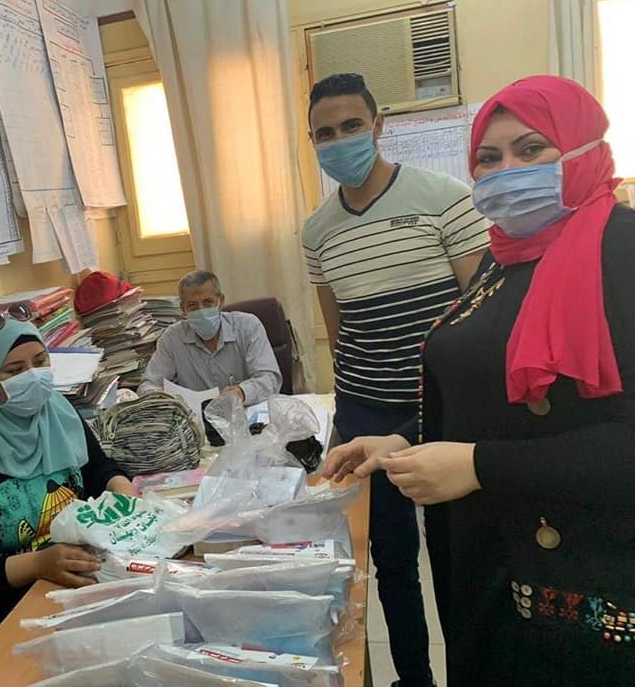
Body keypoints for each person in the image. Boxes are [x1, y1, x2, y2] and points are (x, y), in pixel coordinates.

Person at [322, 75, 635, 685]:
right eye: (489, 158)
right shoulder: (507, 256)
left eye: (531, 149)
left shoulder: (620, 250)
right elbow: (493, 394)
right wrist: (405, 440)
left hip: (584, 584)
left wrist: (478, 465)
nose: (506, 171)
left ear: (584, 149)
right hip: (493, 562)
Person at [303, 73, 489, 687]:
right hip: (365, 413)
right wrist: (348, 416)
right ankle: (415, 679)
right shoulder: (317, 231)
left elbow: (480, 316)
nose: (340, 141)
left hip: (441, 412)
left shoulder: (445, 198)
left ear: (378, 126)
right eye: (325, 133)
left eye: (352, 126)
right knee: (391, 562)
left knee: (457, 556)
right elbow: (339, 331)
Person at [0, 316, 134, 660]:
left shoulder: (58, 411)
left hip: (76, 582)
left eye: (40, 362)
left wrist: (121, 487)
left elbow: (98, 469)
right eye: (14, 371)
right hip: (1, 606)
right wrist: (36, 564)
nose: (33, 376)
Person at [138, 270, 282, 406]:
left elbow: (269, 378)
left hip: (244, 413)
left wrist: (242, 392)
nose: (201, 310)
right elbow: (148, 384)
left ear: (221, 301)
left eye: (208, 302)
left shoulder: (247, 326)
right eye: (193, 305)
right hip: (196, 419)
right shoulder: (172, 338)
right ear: (183, 309)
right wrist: (159, 396)